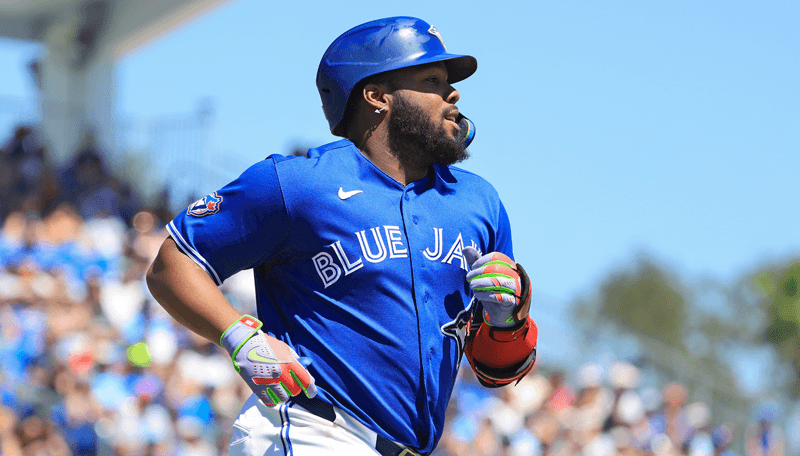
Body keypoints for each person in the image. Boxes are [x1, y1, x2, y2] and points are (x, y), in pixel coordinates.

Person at [146, 16, 538, 456]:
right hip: (314, 430)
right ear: (376, 96)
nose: (454, 93)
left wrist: (509, 320)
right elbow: (171, 266)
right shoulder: (297, 185)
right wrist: (239, 336)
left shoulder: (478, 203)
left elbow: (495, 372)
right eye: (432, 78)